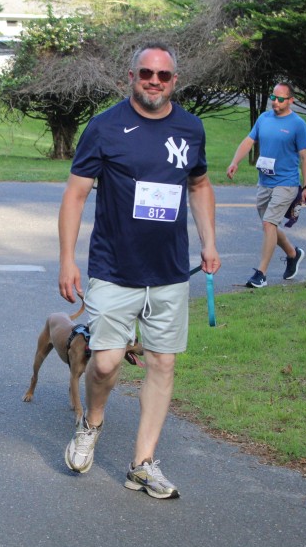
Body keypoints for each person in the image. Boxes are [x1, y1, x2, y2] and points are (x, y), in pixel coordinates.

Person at [58, 42, 220, 499]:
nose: (154, 81)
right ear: (130, 77)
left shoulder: (190, 128)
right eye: (146, 73)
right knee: (106, 363)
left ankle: (142, 464)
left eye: (163, 75)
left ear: (174, 81)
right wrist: (67, 258)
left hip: (169, 271)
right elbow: (75, 194)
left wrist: (209, 241)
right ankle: (91, 423)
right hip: (114, 267)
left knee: (162, 363)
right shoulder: (105, 127)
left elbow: (200, 185)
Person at [226, 82, 306, 288]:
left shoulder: (298, 124)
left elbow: (305, 156)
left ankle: (261, 274)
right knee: (270, 225)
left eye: (280, 99)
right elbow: (249, 141)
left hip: (286, 183)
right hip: (264, 182)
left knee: (268, 224)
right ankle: (293, 254)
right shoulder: (264, 118)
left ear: (291, 100)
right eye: (273, 97)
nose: (275, 102)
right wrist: (235, 162)